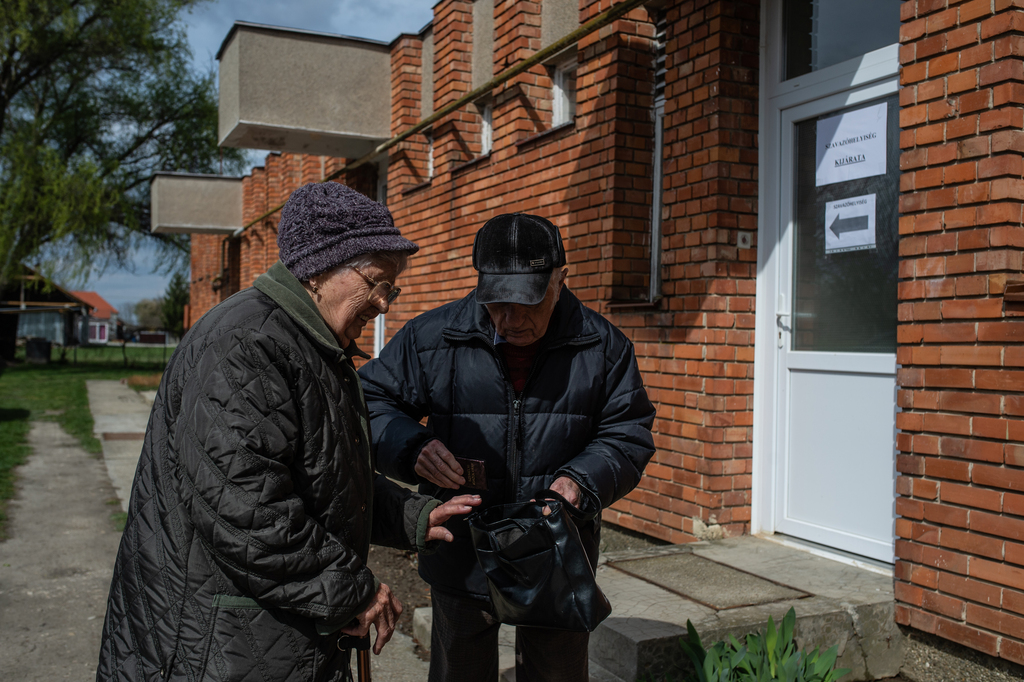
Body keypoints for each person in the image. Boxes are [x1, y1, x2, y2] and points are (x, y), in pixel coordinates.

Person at [96, 182, 480, 682]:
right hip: (217, 642)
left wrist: (412, 515)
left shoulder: (308, 343)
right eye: (377, 282)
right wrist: (349, 589)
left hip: (253, 635)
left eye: (393, 288)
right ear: (320, 269)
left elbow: (326, 474)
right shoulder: (249, 345)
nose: (384, 304)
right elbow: (247, 510)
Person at [359, 212, 657, 682]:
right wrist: (411, 445)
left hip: (556, 550)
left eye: (526, 303)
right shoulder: (431, 337)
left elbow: (629, 431)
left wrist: (580, 482)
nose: (510, 319)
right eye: (496, 302)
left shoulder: (604, 346)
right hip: (462, 548)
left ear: (560, 279)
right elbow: (366, 404)